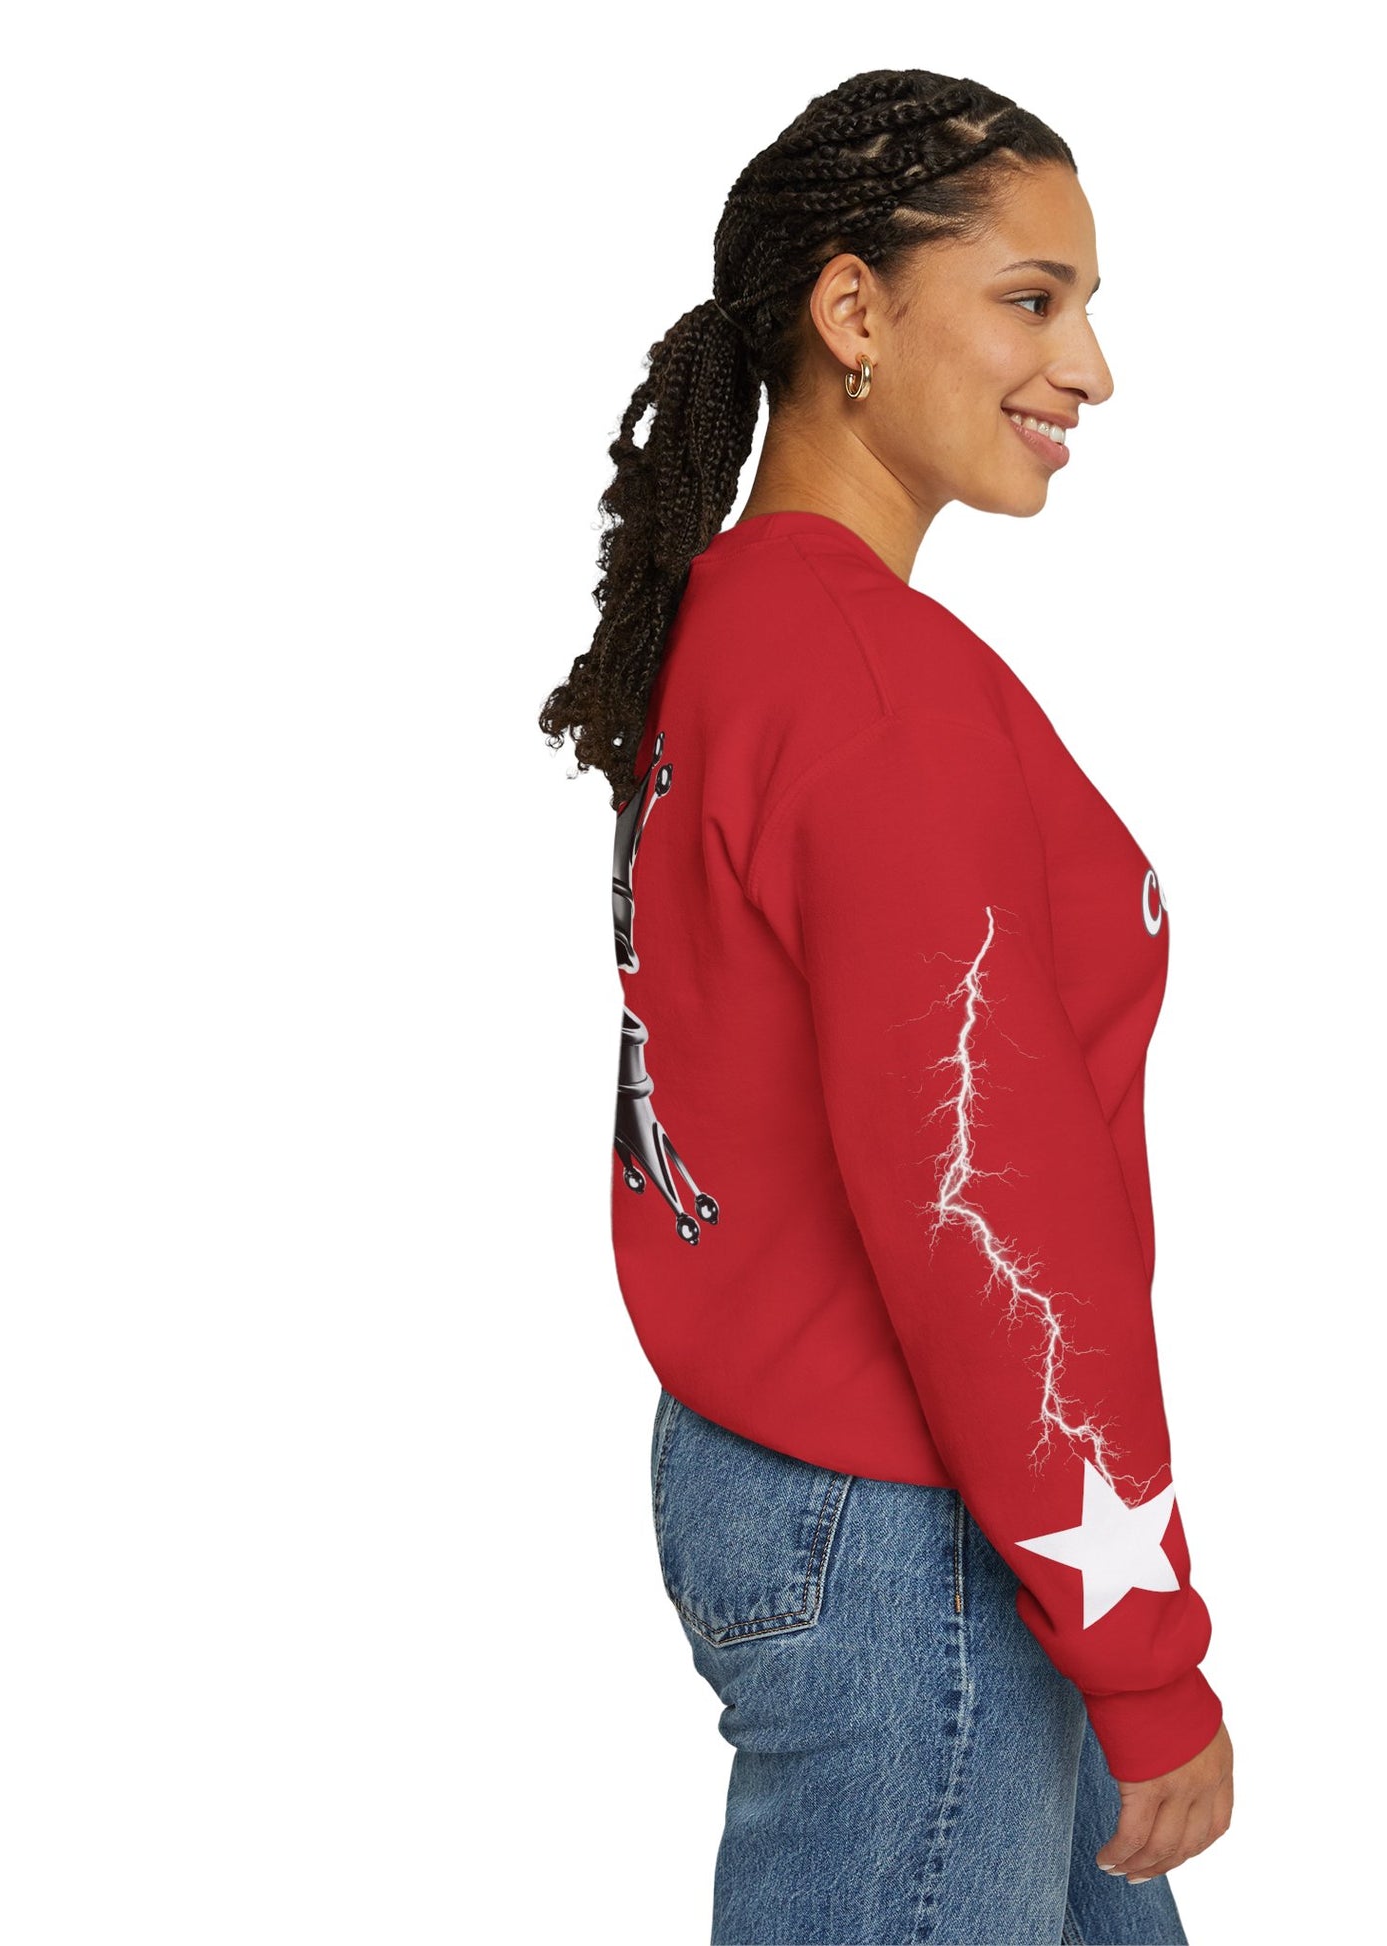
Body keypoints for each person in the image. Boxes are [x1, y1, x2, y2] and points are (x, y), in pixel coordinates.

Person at [541, 67, 1235, 1946]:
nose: (1089, 367)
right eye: (1030, 299)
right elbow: (984, 1197)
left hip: (820, 1477)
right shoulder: (873, 687)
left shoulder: (738, 627)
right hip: (911, 1522)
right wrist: (1143, 1643)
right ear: (853, 310)